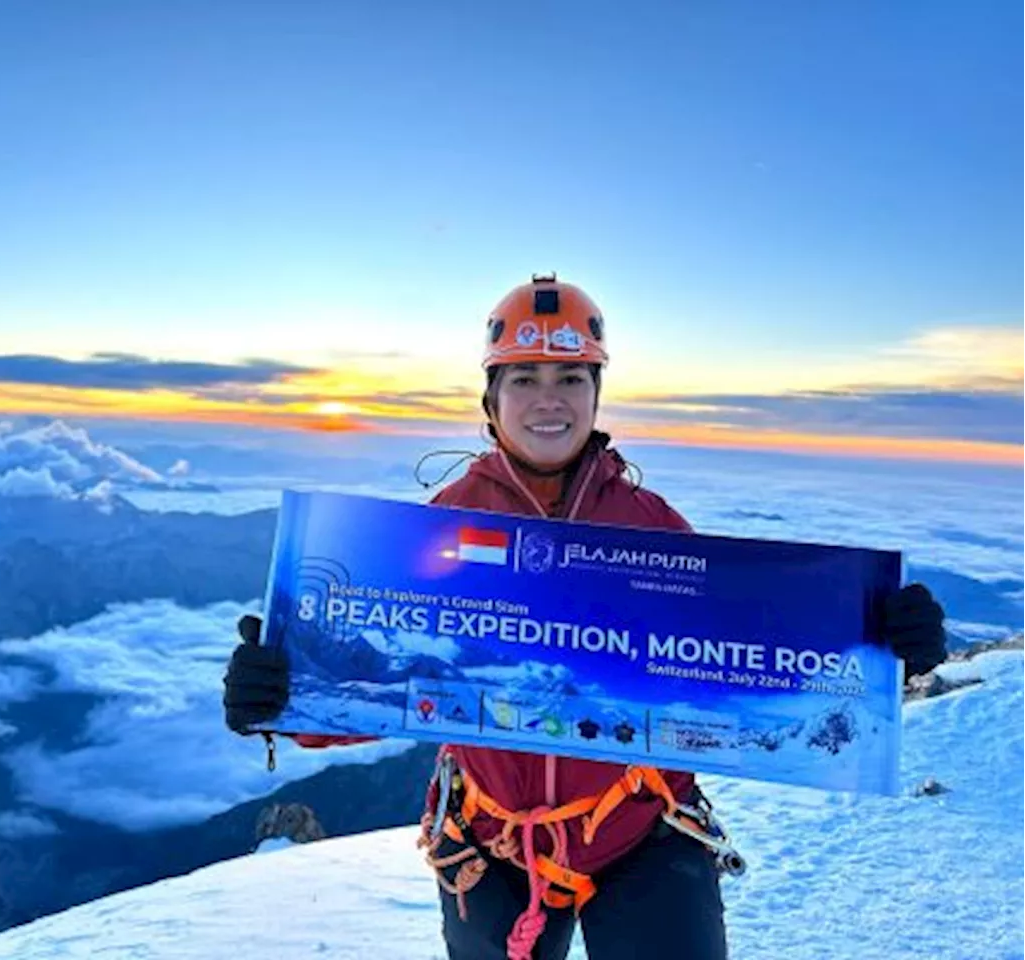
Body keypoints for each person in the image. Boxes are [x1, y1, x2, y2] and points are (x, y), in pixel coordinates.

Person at [222, 274, 949, 960]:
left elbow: (740, 653)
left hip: (641, 828)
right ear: (491, 400)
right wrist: (284, 697)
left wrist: (876, 650)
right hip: (493, 845)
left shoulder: (650, 527)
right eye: (525, 379)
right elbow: (392, 675)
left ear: (596, 394)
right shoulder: (438, 534)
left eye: (571, 378)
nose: (550, 399)